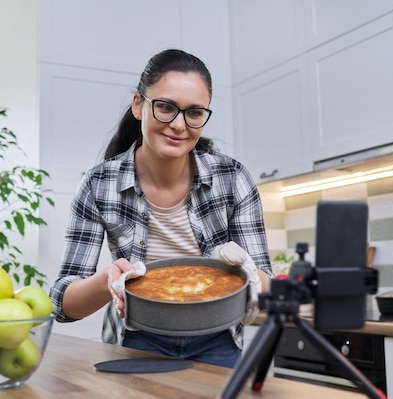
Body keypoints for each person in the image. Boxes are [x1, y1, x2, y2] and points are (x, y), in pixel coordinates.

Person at [50, 49, 273, 368]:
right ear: (138, 105)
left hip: (219, 341)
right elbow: (62, 305)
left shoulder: (232, 178)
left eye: (194, 113)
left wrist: (247, 270)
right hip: (136, 339)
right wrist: (110, 280)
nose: (179, 125)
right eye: (166, 108)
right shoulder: (98, 184)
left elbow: (267, 288)